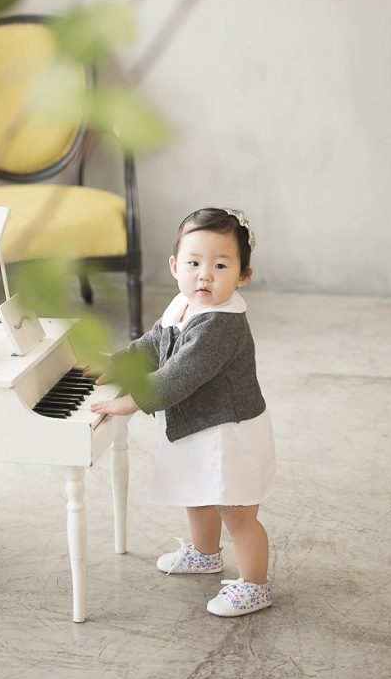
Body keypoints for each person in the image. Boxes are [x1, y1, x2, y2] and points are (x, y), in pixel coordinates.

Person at [90, 207, 276, 617]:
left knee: (237, 511)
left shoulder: (220, 325)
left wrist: (131, 400)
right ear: (175, 266)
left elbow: (178, 376)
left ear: (243, 275)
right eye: (194, 263)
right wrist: (118, 364)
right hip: (198, 425)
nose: (204, 275)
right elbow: (154, 342)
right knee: (198, 491)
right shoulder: (184, 303)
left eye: (220, 265)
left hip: (229, 432)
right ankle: (205, 553)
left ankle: (254, 585)